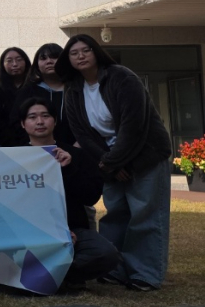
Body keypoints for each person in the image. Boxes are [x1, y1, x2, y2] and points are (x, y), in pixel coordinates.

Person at [57, 34, 172, 291]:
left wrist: (113, 162)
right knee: (115, 214)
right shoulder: (73, 88)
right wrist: (110, 164)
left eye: (86, 50)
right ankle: (114, 269)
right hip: (110, 161)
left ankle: (145, 273)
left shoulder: (122, 77)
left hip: (145, 156)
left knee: (145, 215)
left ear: (96, 52)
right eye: (74, 53)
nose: (80, 56)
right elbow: (83, 134)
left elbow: (134, 126)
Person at [19, 97, 122, 289]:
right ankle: (51, 276)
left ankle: (57, 276)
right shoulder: (13, 157)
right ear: (23, 124)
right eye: (32, 117)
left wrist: (69, 168)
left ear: (55, 121)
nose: (40, 121)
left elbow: (90, 196)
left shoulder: (76, 155)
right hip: (27, 231)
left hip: (72, 229)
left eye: (45, 116)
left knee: (106, 254)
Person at [14, 43, 74, 147]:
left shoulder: (76, 89)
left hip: (76, 148)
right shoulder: (28, 91)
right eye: (43, 58)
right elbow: (16, 122)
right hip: (35, 150)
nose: (49, 61)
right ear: (37, 64)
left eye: (54, 57)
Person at [0, 47, 32, 147]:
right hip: (3, 141)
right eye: (9, 61)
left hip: (32, 139)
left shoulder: (35, 86)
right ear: (3, 65)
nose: (15, 64)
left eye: (19, 60)